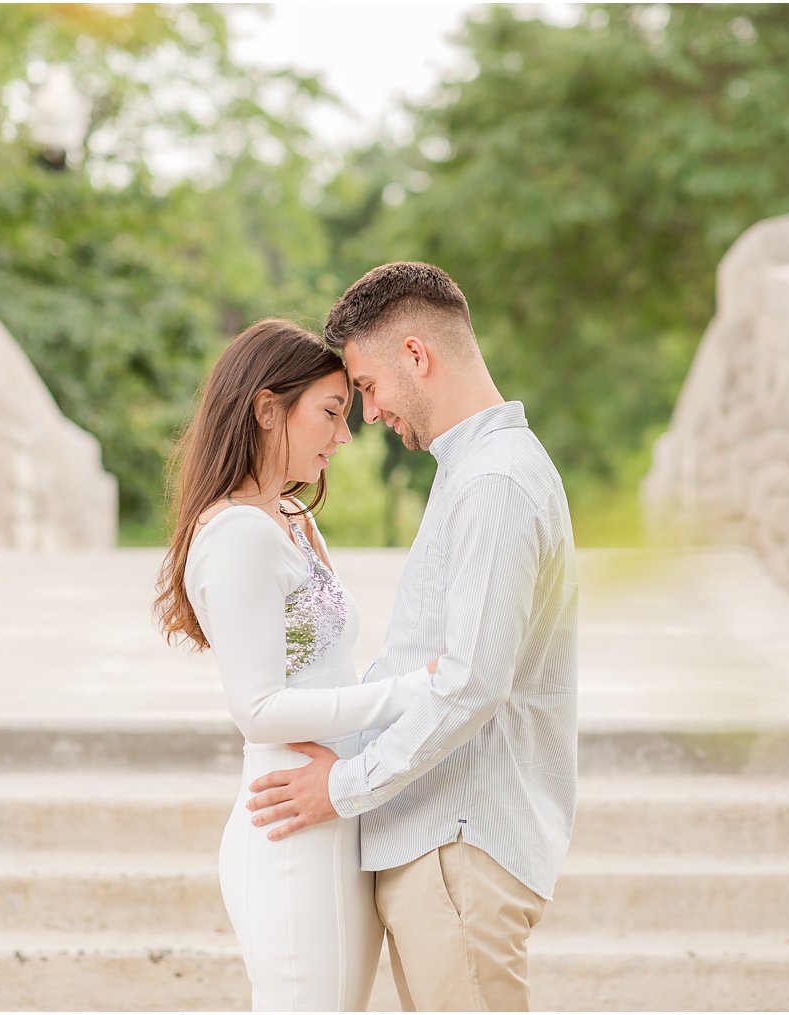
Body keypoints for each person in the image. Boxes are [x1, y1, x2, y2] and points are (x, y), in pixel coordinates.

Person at [244, 263, 579, 1012]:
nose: (368, 414)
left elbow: (471, 683)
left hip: (456, 846)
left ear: (417, 356)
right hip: (442, 846)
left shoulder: (493, 481)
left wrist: (342, 786)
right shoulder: (478, 472)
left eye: (366, 386)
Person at [154, 318, 434, 1011]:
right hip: (289, 829)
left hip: (330, 808)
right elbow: (257, 708)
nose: (345, 435)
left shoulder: (289, 518)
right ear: (267, 407)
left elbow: (329, 671)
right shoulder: (238, 536)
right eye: (332, 413)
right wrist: (407, 695)